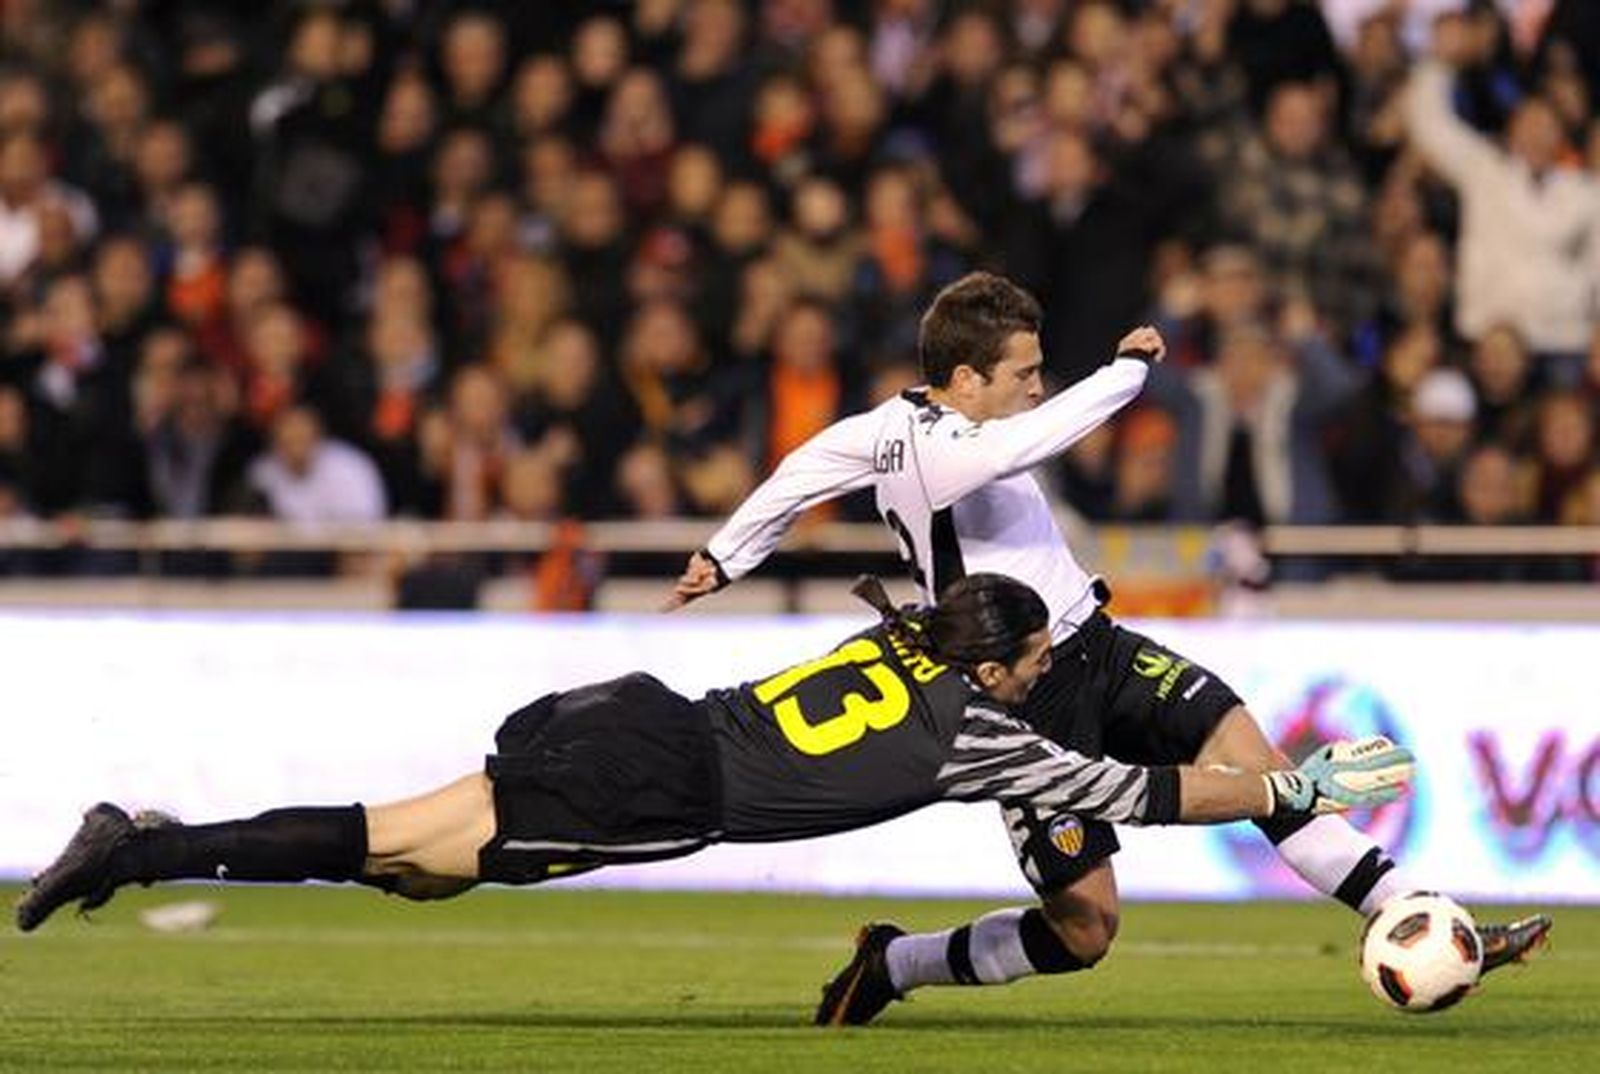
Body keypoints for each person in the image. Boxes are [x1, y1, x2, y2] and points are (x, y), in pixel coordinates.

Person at [669, 271, 1550, 1025]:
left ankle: (1419, 914)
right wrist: (1125, 373)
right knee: (1086, 929)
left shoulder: (890, 428)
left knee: (1263, 769)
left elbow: (796, 474)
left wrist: (724, 554)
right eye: (1024, 371)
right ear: (967, 378)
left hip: (1098, 646)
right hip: (1021, 696)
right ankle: (895, 964)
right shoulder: (944, 455)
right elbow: (1031, 439)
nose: (1037, 387)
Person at [15, 574, 1415, 939]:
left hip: (630, 713)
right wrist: (1296, 787)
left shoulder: (903, 638)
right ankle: (139, 841)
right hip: (656, 787)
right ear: (994, 667)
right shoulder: (982, 729)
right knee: (393, 844)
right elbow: (1146, 793)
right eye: (1038, 663)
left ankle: (147, 837)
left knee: (419, 871)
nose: (1049, 679)